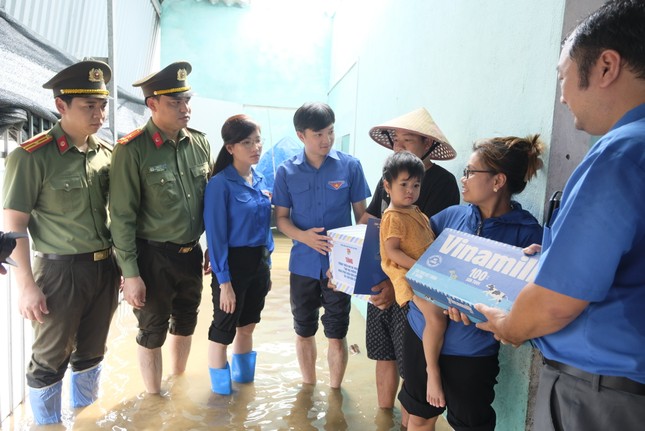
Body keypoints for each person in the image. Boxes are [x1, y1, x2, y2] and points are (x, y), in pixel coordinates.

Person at [476, 1, 645, 429]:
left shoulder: (620, 154)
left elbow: (554, 305)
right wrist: (554, 255)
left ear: (606, 67)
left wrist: (510, 325)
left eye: (562, 77)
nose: (563, 95)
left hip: (597, 398)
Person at [2, 60, 120, 424]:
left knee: (92, 352)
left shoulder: (107, 154)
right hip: (59, 271)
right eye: (89, 107)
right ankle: (47, 424)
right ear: (61, 106)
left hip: (105, 268)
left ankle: (86, 418)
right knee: (49, 361)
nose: (99, 114)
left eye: (102, 106)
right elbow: (13, 225)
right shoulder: (32, 156)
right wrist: (26, 287)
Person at [402, 135, 544, 430]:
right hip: (421, 333)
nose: (462, 179)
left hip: (471, 352)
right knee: (418, 417)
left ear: (497, 181)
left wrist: (539, 263)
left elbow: (534, 301)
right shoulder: (449, 218)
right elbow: (409, 259)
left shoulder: (527, 235)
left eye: (470, 172)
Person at [109, 61, 212, 395]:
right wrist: (132, 273)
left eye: (187, 100)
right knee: (152, 331)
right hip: (152, 256)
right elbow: (122, 216)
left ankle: (177, 384)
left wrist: (214, 246)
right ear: (152, 104)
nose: (185, 109)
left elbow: (207, 202)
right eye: (175, 103)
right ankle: (154, 399)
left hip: (190, 252)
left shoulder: (199, 143)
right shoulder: (131, 150)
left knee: (186, 321)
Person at [359, 108, 459, 421]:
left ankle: (408, 422)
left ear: (428, 143)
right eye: (396, 140)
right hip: (384, 280)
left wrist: (394, 284)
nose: (399, 145)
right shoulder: (387, 180)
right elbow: (374, 224)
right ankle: (382, 419)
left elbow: (433, 242)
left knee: (409, 364)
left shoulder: (443, 183)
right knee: (382, 353)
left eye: (408, 140)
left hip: (414, 286)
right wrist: (371, 279)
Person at [272, 102, 371, 389]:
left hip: (340, 268)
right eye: (318, 134)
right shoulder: (286, 172)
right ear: (301, 135)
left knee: (337, 333)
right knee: (303, 330)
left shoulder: (350, 166)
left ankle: (335, 392)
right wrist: (304, 237)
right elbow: (281, 219)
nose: (326, 140)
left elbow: (361, 216)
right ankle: (308, 387)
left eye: (330, 132)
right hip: (302, 264)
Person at [204, 114, 273, 395]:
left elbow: (265, 230)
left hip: (258, 263)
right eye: (247, 142)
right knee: (223, 332)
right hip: (231, 265)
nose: (255, 147)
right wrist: (225, 284)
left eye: (258, 140)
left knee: (247, 326)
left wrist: (266, 265)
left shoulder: (260, 179)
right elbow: (216, 236)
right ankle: (221, 398)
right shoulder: (220, 184)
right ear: (231, 147)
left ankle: (244, 389)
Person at [378, 151, 447, 410]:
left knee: (442, 316)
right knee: (436, 317)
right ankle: (433, 372)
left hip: (425, 276)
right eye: (403, 184)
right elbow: (393, 251)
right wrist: (422, 267)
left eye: (416, 185)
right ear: (388, 186)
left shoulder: (415, 211)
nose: (410, 190)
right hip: (410, 279)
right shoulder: (394, 216)